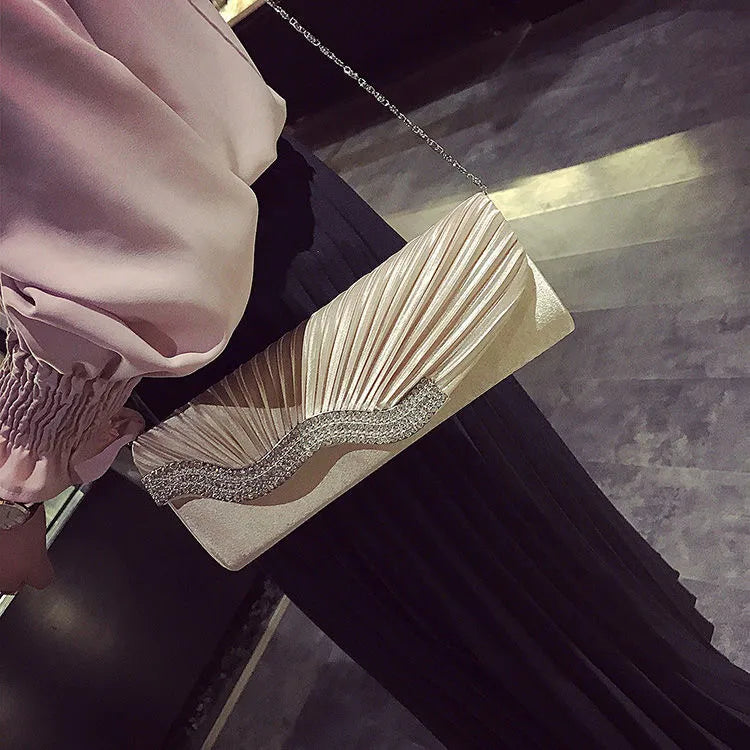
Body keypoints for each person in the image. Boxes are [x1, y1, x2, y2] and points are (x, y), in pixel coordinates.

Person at [3, 2, 749, 747]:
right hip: (283, 226)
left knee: (510, 624)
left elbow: (102, 230)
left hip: (226, 336)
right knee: (541, 587)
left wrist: (16, 491)